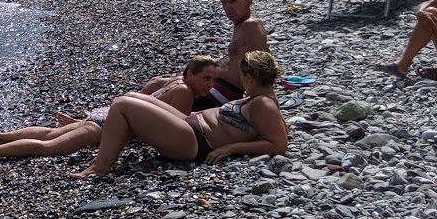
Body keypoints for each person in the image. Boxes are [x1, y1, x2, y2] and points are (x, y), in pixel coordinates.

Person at [70, 50, 289, 178]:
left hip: (194, 142)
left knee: (122, 105)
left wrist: (231, 147)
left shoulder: (263, 104)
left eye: (241, 76)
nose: (239, 80)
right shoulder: (258, 99)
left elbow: (278, 144)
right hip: (190, 126)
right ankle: (103, 141)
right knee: (131, 97)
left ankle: (100, 167)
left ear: (250, 78)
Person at [0, 56, 220, 167]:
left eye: (213, 80)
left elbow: (145, 93)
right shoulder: (185, 93)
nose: (210, 85)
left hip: (105, 113)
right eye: (206, 79)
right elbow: (165, 127)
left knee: (50, 134)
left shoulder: (169, 81)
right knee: (51, 147)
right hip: (107, 123)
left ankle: (0, 137)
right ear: (189, 74)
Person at [198, 0, 270, 106]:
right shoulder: (241, 26)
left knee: (171, 91)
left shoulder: (251, 26)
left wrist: (256, 104)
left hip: (226, 92)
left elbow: (260, 66)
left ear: (248, 2)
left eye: (233, 2)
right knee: (160, 83)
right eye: (224, 3)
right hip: (219, 86)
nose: (228, 7)